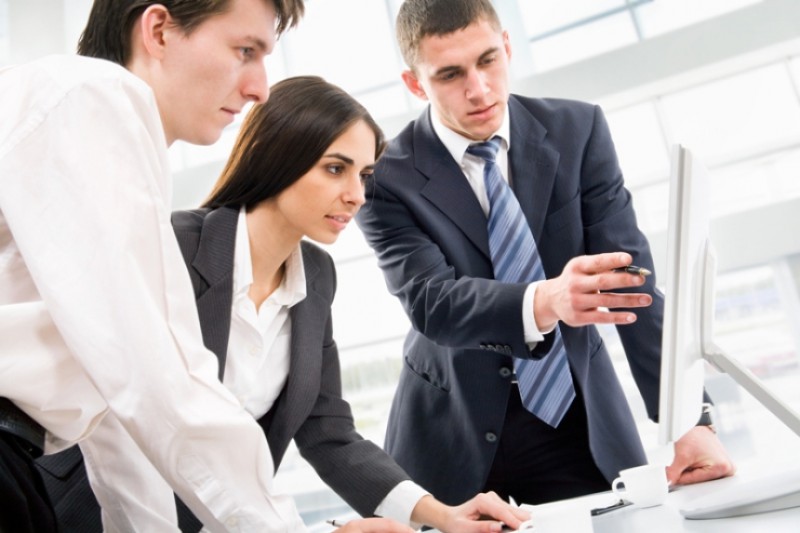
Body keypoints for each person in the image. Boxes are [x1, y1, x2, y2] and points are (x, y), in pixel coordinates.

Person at [37, 76, 530, 533]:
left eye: (364, 175)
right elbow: (142, 412)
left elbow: (328, 432)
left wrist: (441, 515)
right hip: (78, 510)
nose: (356, 195)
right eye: (335, 169)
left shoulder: (316, 276)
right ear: (277, 157)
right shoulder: (174, 246)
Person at [0, 0, 374, 531]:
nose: (260, 89)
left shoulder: (111, 138)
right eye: (244, 51)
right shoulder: (91, 96)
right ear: (158, 30)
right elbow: (158, 378)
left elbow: (120, 416)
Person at [354, 0, 736, 508]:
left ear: (507, 47)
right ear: (415, 83)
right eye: (450, 74)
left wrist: (691, 422)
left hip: (577, 415)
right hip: (452, 430)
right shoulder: (384, 178)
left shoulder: (578, 131)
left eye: (488, 60)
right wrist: (548, 300)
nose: (479, 89)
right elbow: (433, 304)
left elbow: (632, 283)